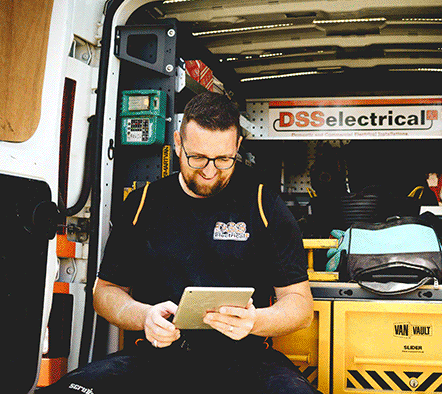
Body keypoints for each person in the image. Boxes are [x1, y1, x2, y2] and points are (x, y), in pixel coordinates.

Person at [40, 92, 318, 394]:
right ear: (177, 142)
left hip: (246, 361)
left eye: (224, 159)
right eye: (197, 157)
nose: (210, 172)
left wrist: (254, 321)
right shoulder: (144, 203)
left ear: (237, 147)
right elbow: (105, 293)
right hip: (154, 358)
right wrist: (144, 316)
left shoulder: (265, 204)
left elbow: (300, 306)